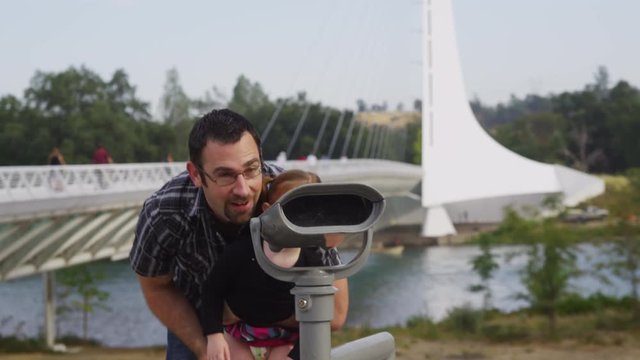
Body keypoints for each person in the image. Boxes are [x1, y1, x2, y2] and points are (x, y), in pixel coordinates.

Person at [129, 109, 346, 360]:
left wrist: (240, 310)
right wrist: (204, 348)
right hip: (199, 324)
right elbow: (157, 288)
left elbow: (336, 314)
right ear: (196, 175)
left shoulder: (292, 197)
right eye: (225, 175)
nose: (243, 190)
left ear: (262, 163)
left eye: (252, 170)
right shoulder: (164, 212)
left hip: (285, 333)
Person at [199, 170, 348, 360]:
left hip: (285, 340)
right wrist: (214, 335)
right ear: (267, 209)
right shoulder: (244, 250)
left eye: (309, 213)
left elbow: (320, 318)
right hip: (240, 336)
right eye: (291, 212)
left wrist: (295, 356)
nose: (299, 222)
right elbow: (212, 290)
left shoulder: (314, 259)